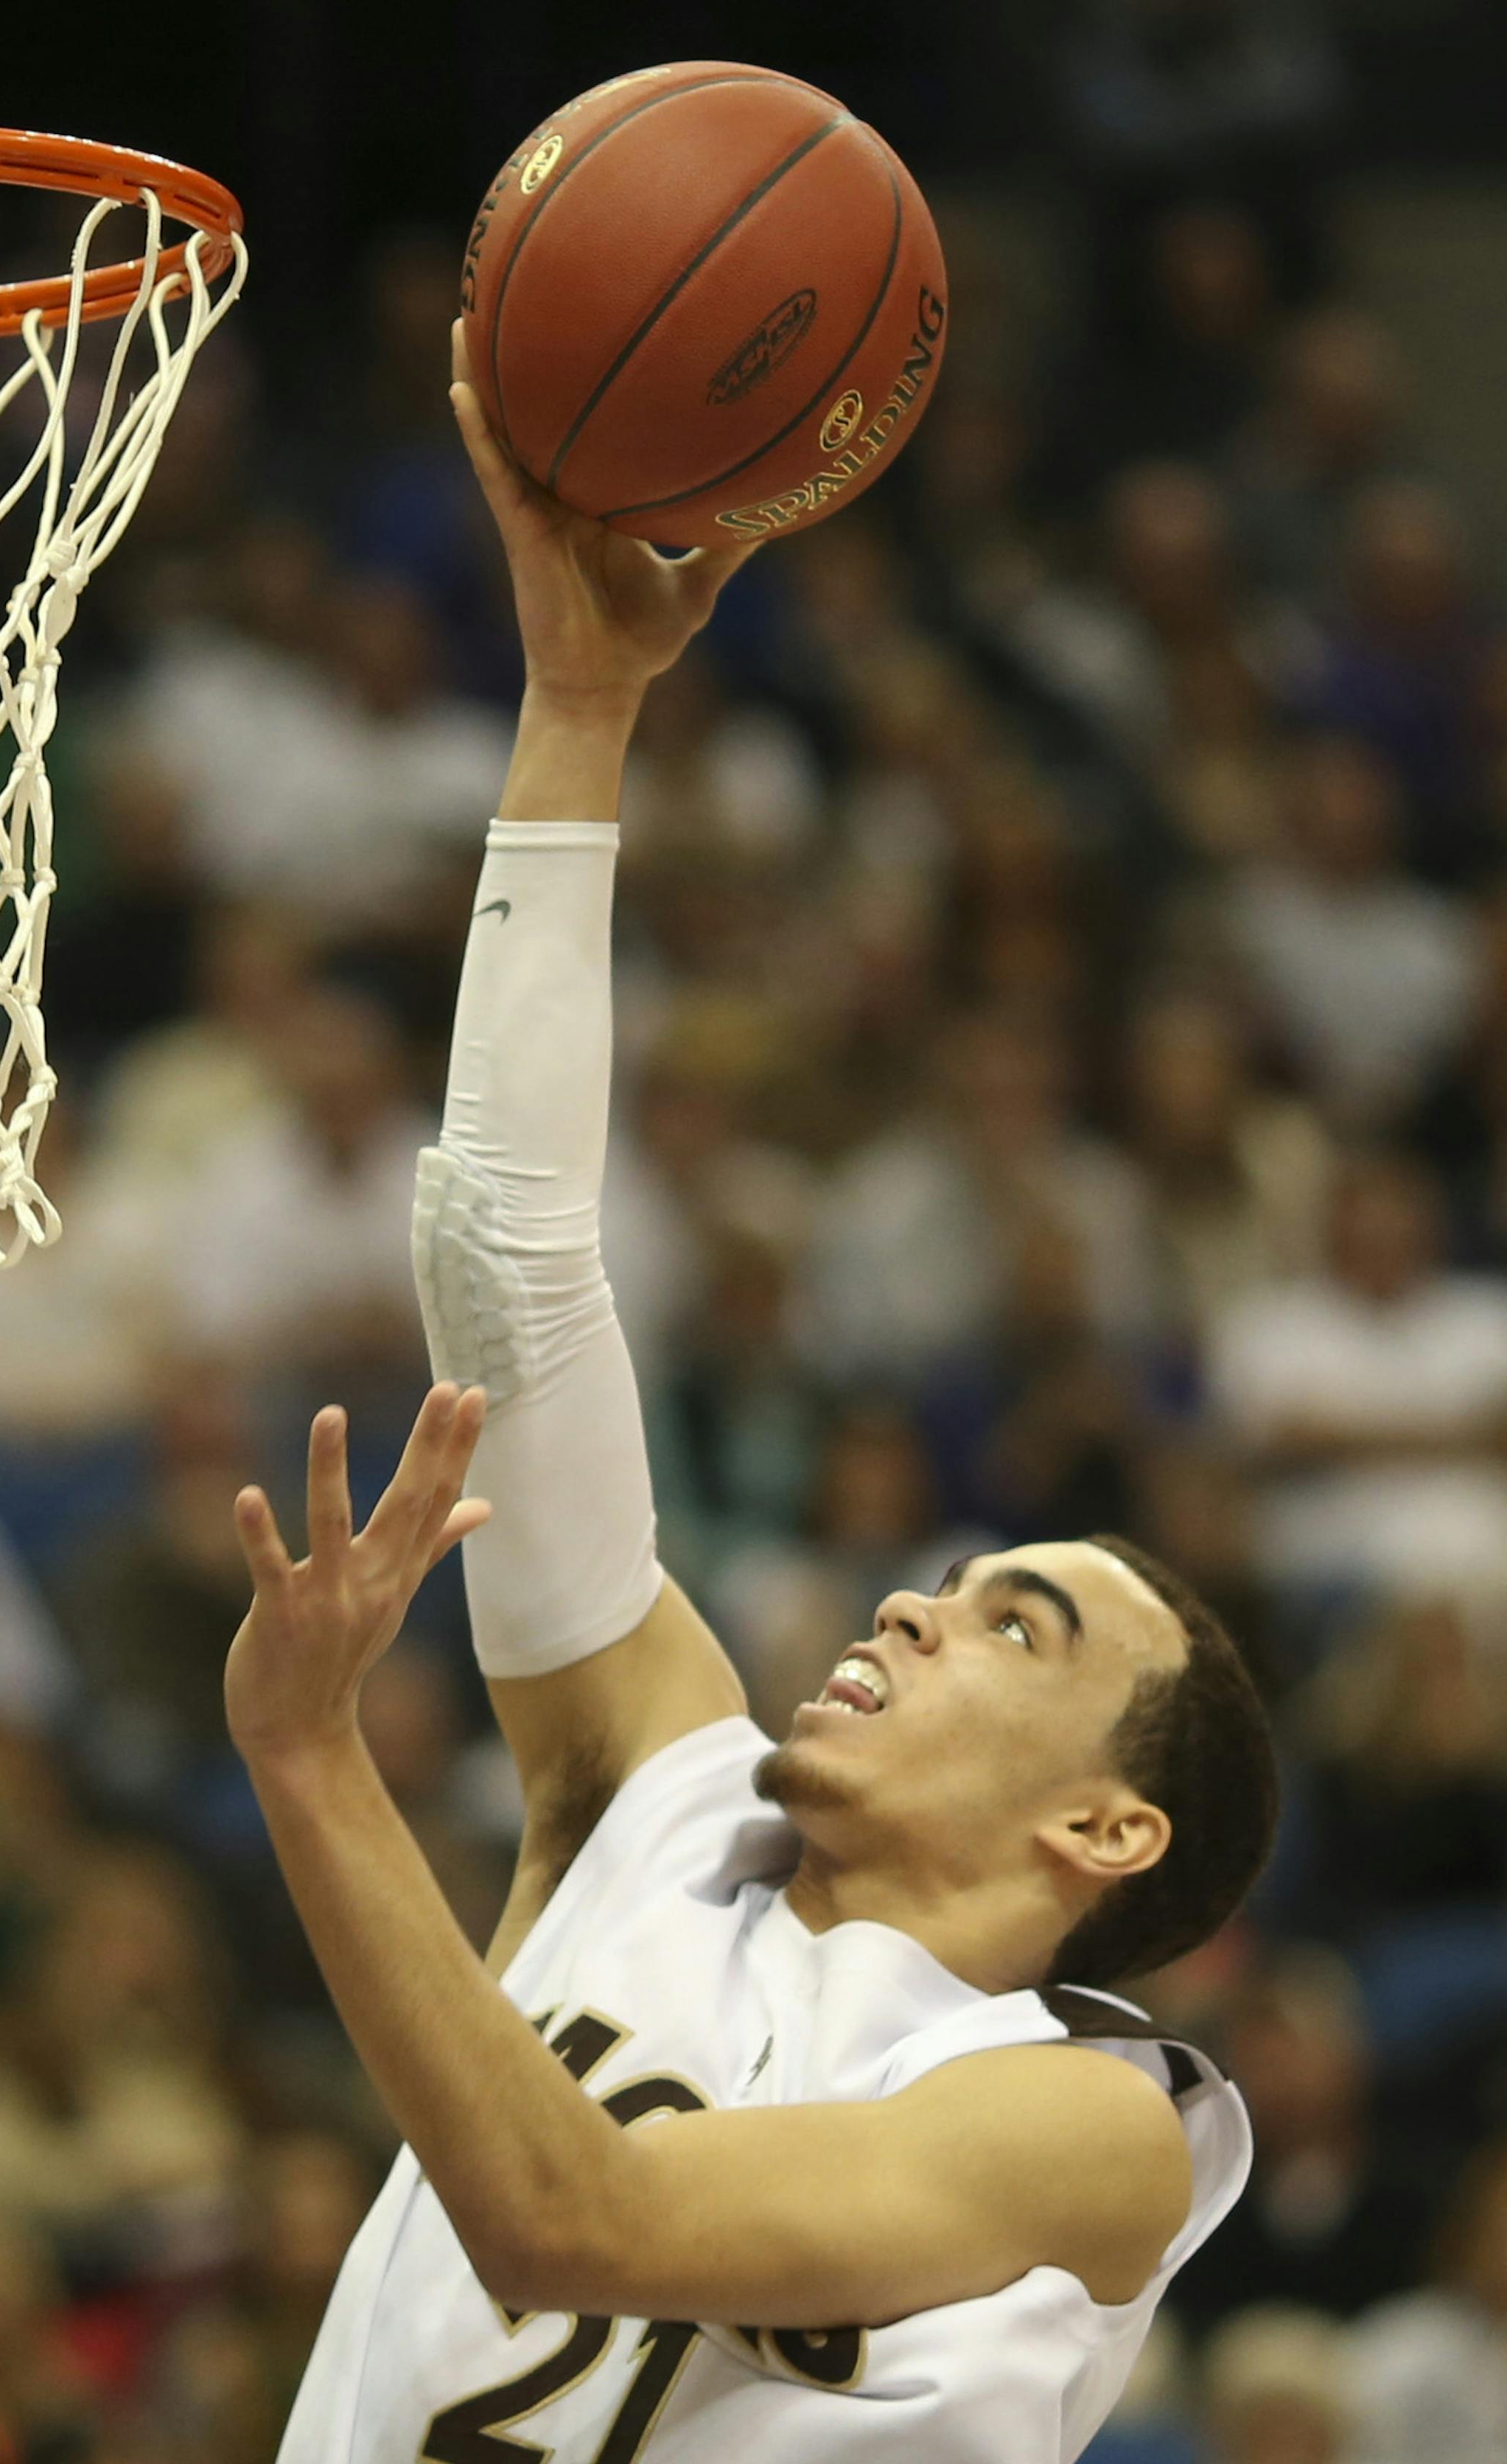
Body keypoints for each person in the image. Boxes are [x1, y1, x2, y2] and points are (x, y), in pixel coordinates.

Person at [222, 322, 1279, 2464]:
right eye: (966, 1579)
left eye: (1017, 1625)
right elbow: (508, 1262)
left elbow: (564, 2214)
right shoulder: (662, 1794)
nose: (915, 1606)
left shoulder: (1105, 2131)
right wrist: (585, 703)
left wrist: (313, 1764)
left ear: (1106, 1826)